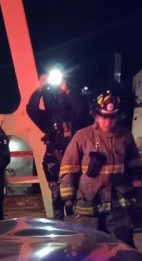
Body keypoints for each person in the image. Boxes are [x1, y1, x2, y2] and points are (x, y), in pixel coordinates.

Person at [58, 93, 142, 245]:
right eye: (104, 117)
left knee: (123, 243)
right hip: (89, 199)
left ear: (118, 117)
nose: (108, 121)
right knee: (89, 245)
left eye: (112, 117)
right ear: (96, 116)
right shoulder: (83, 136)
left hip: (118, 198)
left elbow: (135, 164)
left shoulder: (125, 136)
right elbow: (68, 167)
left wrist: (138, 188)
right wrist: (68, 198)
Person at [26, 73, 89, 219]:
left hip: (77, 162)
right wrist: (39, 90)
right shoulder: (48, 118)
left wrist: (67, 90)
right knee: (57, 199)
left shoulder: (77, 116)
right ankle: (59, 231)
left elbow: (82, 110)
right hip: (54, 163)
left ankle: (77, 231)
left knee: (77, 199)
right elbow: (32, 110)